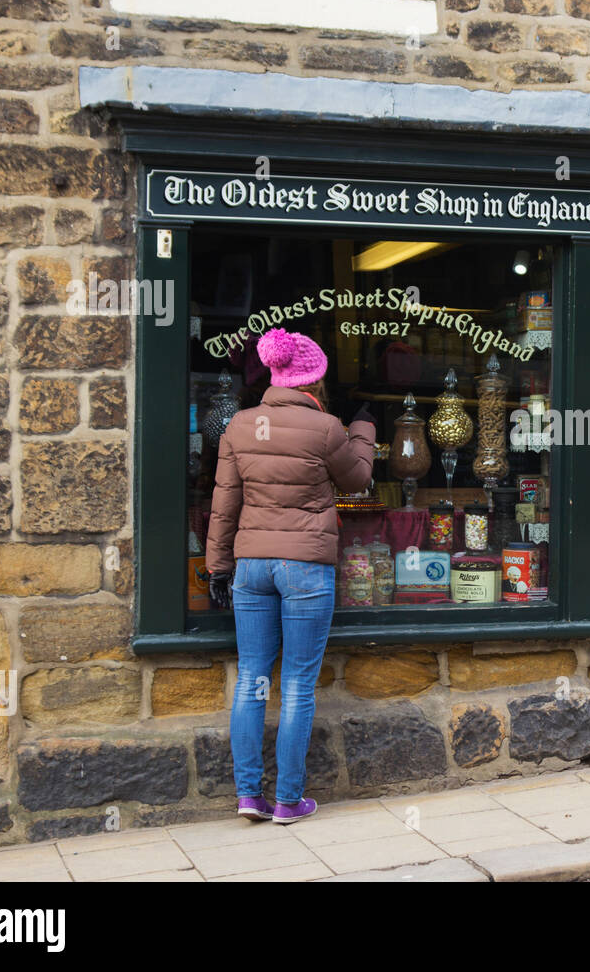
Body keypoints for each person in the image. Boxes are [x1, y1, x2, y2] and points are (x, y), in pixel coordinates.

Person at [205, 328, 376, 824]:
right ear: (315, 380)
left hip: (251, 566)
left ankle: (246, 796)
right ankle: (288, 801)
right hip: (304, 566)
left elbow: (223, 506)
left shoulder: (238, 426)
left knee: (252, 680)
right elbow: (359, 480)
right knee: (298, 685)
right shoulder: (325, 429)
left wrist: (219, 567)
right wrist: (362, 429)